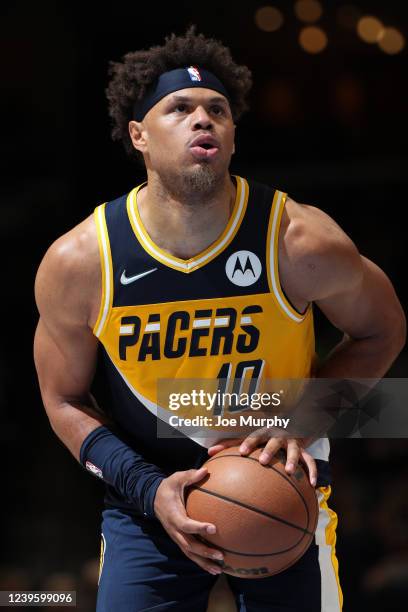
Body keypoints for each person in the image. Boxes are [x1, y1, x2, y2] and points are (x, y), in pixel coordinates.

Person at [34, 27, 406, 612]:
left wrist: (304, 418)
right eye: (179, 108)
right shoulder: (81, 262)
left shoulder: (299, 240)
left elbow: (384, 328)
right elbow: (62, 401)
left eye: (217, 110)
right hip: (147, 495)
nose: (202, 119)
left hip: (279, 484)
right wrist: (147, 488)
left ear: (233, 136)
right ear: (138, 135)